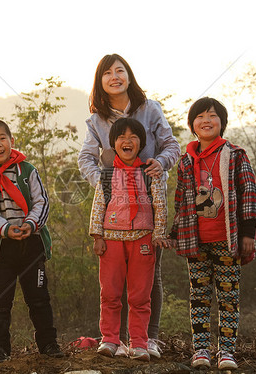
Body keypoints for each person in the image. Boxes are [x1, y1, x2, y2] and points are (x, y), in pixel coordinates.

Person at [78, 53, 180, 358]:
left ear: (129, 75)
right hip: (114, 209)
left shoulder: (150, 110)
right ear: (100, 82)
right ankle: (115, 340)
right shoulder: (96, 119)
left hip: (149, 203)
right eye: (107, 73)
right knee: (112, 281)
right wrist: (104, 182)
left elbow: (171, 145)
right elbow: (85, 157)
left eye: (120, 70)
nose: (114, 77)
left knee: (148, 278)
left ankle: (147, 339)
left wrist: (159, 165)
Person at [169, 97, 256, 370]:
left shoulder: (235, 155)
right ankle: (201, 351)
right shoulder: (186, 161)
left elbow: (249, 194)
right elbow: (180, 201)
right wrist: (175, 233)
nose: (205, 121)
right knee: (199, 296)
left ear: (222, 122)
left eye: (212, 116)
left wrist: (248, 232)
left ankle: (227, 352)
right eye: (199, 116)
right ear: (192, 124)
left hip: (227, 239)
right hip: (196, 241)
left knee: (228, 297)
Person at [0, 119, 63, 365]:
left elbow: (41, 201)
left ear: (11, 141)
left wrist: (30, 224)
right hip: (0, 247)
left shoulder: (28, 170)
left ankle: (48, 344)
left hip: (31, 243)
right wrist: (5, 228)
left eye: (2, 138)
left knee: (39, 298)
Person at [89, 118, 168, 362]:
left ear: (141, 144)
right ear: (113, 143)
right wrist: (97, 235)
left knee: (140, 295)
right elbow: (98, 206)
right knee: (110, 292)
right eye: (122, 137)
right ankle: (110, 339)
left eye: (133, 137)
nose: (127, 141)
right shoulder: (107, 174)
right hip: (111, 239)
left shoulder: (149, 173)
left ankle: (140, 343)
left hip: (142, 240)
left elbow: (159, 204)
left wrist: (159, 233)